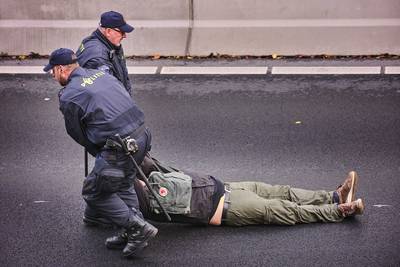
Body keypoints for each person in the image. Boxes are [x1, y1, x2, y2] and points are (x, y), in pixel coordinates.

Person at [105, 156, 364, 249]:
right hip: (228, 209)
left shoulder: (144, 170)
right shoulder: (142, 203)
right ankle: (339, 211)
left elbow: (143, 155)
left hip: (227, 186)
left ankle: (333, 195)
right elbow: (126, 206)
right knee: (286, 210)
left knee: (282, 191)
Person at [44, 48, 157, 258]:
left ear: (60, 69)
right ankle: (131, 230)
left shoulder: (70, 94)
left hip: (120, 147)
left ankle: (138, 229)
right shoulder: (102, 74)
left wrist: (101, 154)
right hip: (142, 137)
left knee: (93, 192)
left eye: (52, 71)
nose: (52, 75)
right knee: (124, 183)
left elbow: (78, 134)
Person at [76, 11, 133, 95]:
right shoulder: (99, 58)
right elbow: (105, 95)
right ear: (108, 31)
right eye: (122, 32)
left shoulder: (109, 44)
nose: (125, 36)